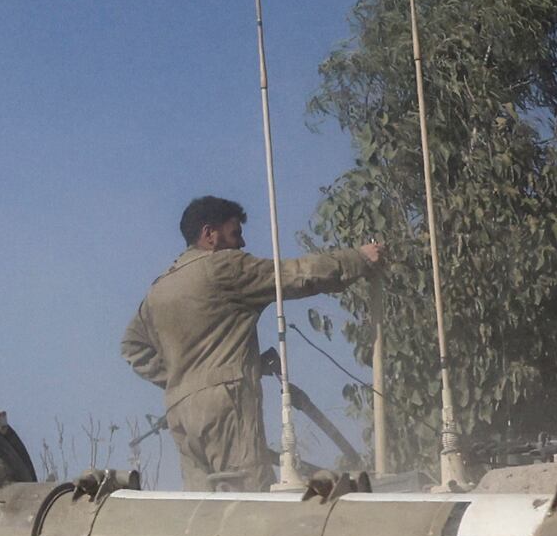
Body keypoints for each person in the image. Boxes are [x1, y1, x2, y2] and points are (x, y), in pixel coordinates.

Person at [122, 195, 393, 490]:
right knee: (246, 497)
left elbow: (133, 347)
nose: (242, 244)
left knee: (205, 508)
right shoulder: (223, 267)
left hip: (179, 413)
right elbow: (296, 275)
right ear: (209, 234)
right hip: (225, 405)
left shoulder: (159, 289)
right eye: (235, 234)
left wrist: (186, 376)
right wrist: (359, 259)